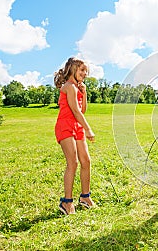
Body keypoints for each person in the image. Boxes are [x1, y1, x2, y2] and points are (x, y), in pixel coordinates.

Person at [54, 57, 96, 215]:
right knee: (73, 162)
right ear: (72, 69)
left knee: (86, 160)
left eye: (86, 71)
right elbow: (76, 112)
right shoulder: (69, 87)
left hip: (77, 126)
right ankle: (67, 202)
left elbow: (82, 110)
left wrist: (84, 93)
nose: (85, 73)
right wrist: (89, 129)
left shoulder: (77, 89)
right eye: (82, 70)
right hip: (65, 126)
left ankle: (85, 197)